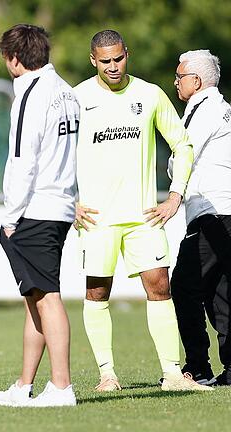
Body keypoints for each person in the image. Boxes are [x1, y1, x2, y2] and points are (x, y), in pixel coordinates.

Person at [74, 29, 211, 392]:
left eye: (119, 58)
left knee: (159, 286)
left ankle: (172, 374)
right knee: (97, 293)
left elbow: (182, 145)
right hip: (96, 219)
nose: (113, 66)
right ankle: (107, 374)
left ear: (126, 54)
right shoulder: (77, 98)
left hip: (143, 216)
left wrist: (175, 196)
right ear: (93, 61)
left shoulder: (149, 94)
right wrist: (68, 200)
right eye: (105, 61)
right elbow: (53, 154)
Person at [0, 24, 78, 408]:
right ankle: (24, 385)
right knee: (35, 297)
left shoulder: (31, 93)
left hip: (36, 208)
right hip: (59, 205)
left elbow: (23, 159)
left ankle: (61, 387)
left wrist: (11, 216)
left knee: (48, 298)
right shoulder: (66, 91)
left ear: (13, 59)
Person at [170, 49, 231, 386]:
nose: (176, 82)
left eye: (180, 77)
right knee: (220, 291)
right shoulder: (221, 109)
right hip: (224, 212)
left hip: (211, 212)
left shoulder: (203, 110)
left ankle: (198, 366)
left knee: (184, 286)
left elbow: (183, 157)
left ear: (196, 81)